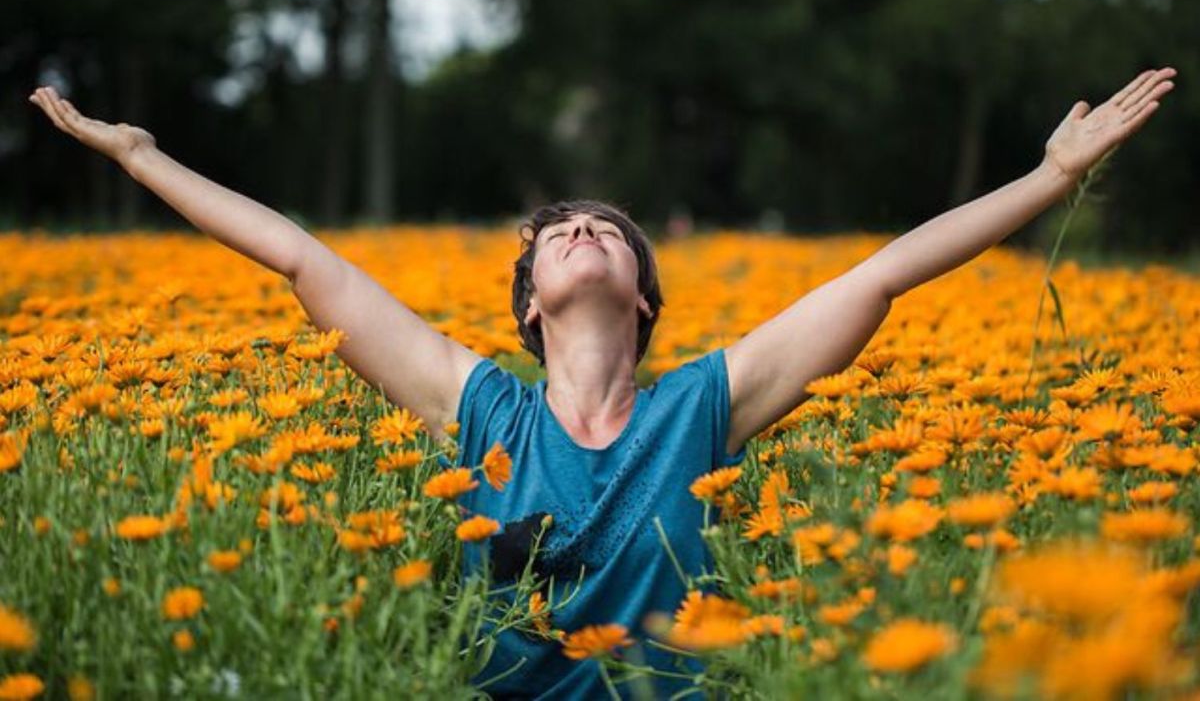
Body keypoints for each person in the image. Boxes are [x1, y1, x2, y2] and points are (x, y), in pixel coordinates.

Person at [28, 67, 1176, 698]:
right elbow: (303, 263)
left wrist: (1046, 178)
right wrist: (142, 158)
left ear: (643, 297)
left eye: (604, 230)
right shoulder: (483, 408)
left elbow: (886, 275)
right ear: (529, 304)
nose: (579, 230)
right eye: (557, 233)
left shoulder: (705, 405)